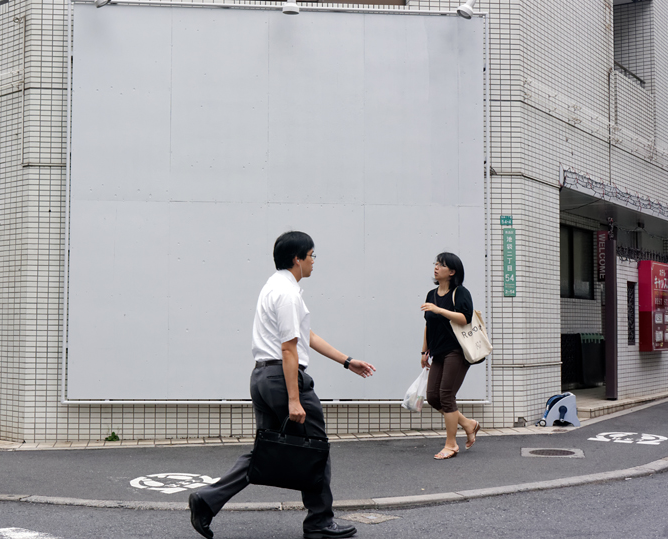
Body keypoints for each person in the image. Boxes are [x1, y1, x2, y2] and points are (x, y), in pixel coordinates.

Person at [189, 231, 376, 539]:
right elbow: (289, 348)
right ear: (297, 259)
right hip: (283, 379)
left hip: (263, 377)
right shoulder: (287, 294)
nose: (314, 261)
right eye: (312, 255)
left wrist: (346, 360)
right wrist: (294, 399)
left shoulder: (274, 287)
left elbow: (306, 336)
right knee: (316, 447)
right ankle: (319, 521)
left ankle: (207, 500)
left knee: (266, 452)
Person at [419, 252, 481, 460]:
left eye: (441, 265)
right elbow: (429, 324)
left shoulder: (460, 292)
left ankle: (451, 444)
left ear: (452, 271)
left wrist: (439, 309)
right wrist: (423, 350)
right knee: (433, 397)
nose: (436, 267)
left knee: (446, 395)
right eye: (435, 263)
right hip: (437, 352)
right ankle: (468, 424)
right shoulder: (431, 294)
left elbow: (464, 318)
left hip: (457, 351)